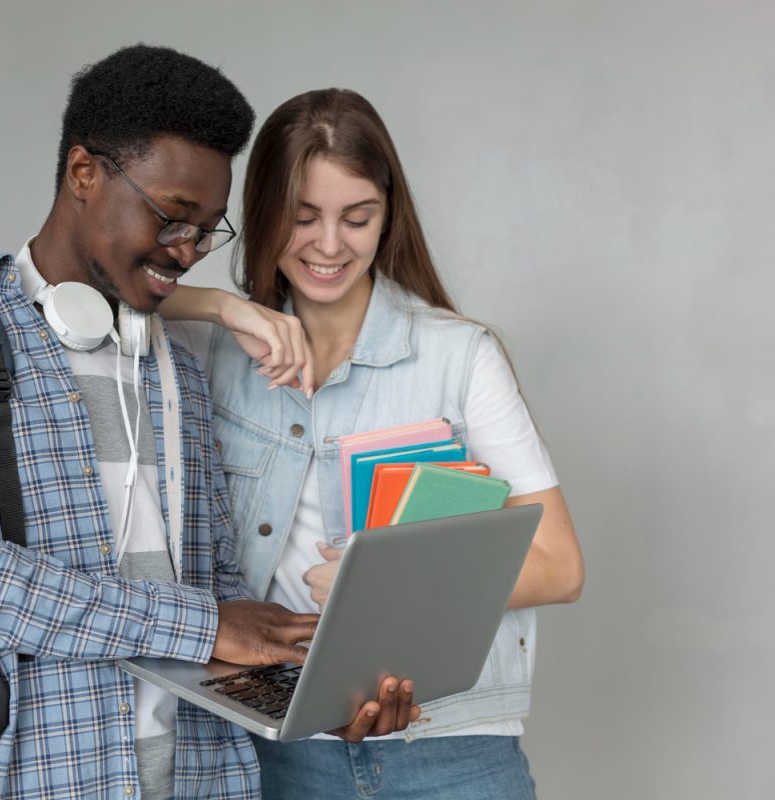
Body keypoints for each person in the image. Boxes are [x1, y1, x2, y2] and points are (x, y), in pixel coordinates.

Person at [0, 50, 413, 800]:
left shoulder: (174, 360)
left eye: (206, 230)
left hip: (205, 782)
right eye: (171, 217)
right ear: (84, 174)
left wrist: (315, 695)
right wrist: (198, 625)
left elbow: (218, 589)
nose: (186, 252)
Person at [162, 88, 585, 799]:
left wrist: (382, 589)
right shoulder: (207, 348)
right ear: (263, 214)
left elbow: (560, 566)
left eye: (357, 218)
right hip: (270, 751)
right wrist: (221, 303)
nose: (330, 246)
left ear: (388, 218)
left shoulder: (459, 356)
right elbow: (83, 289)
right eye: (303, 219)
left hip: (451, 751)